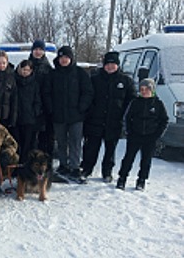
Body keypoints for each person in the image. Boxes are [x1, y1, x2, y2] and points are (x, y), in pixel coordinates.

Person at [81, 51, 136, 183]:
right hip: (95, 121)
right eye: (108, 64)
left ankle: (107, 172)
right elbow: (87, 97)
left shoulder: (126, 81)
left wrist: (124, 116)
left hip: (114, 121)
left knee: (110, 149)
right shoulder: (95, 78)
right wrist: (88, 113)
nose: (110, 66)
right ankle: (86, 169)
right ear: (104, 65)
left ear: (117, 65)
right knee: (91, 148)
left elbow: (131, 101)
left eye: (113, 64)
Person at [50, 46, 93, 183]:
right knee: (61, 142)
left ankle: (74, 167)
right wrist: (51, 109)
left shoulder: (80, 73)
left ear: (71, 58)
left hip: (76, 115)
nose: (64, 60)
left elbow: (88, 92)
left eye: (66, 57)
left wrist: (82, 107)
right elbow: (47, 93)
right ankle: (63, 165)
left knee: (75, 142)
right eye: (62, 57)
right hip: (58, 115)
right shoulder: (53, 74)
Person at [116, 78, 168, 191]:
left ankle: (141, 180)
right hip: (135, 135)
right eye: (142, 89)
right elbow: (127, 118)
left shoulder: (158, 104)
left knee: (146, 160)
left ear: (152, 90)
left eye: (147, 89)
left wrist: (157, 135)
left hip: (150, 137)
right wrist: (129, 131)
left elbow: (164, 120)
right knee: (128, 158)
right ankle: (122, 178)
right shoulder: (135, 102)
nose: (144, 92)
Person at [29, 40, 54, 158]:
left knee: (46, 139)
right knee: (30, 139)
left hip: (45, 109)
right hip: (29, 108)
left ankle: (46, 163)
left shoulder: (48, 68)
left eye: (40, 49)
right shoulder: (27, 66)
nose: (38, 52)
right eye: (36, 49)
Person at [13, 59, 43, 160]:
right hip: (16, 118)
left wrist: (35, 112)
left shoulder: (34, 83)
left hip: (29, 119)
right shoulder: (13, 81)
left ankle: (26, 164)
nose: (25, 72)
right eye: (23, 69)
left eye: (27, 70)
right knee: (16, 143)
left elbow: (38, 100)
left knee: (28, 144)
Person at [0, 50, 18, 132]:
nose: (1, 65)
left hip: (6, 116)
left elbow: (14, 98)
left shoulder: (11, 77)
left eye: (4, 63)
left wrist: (13, 118)